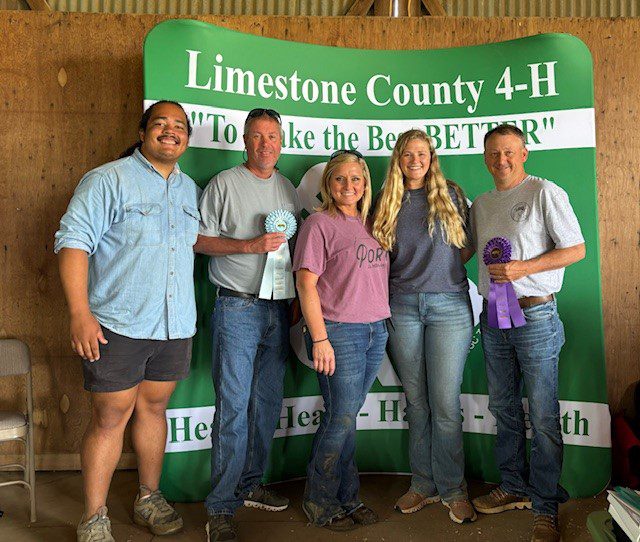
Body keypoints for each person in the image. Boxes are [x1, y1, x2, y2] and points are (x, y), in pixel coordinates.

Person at [54, 100, 200, 542]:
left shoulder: (189, 188)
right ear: (143, 132)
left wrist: (252, 245)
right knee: (110, 417)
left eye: (179, 126)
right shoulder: (108, 180)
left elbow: (192, 243)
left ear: (187, 139)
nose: (170, 131)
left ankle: (148, 497)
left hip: (174, 324)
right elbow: (73, 242)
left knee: (155, 409)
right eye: (160, 124)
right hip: (118, 322)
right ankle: (94, 516)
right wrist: (80, 313)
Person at [464, 124, 586, 542]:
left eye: (510, 152)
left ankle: (545, 506)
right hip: (495, 314)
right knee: (504, 407)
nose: (502, 160)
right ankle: (514, 486)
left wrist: (523, 268)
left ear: (524, 152)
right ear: (485, 157)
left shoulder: (543, 192)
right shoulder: (480, 203)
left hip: (535, 314)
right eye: (494, 153)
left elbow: (577, 249)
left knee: (544, 414)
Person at [195, 108, 301, 542]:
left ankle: (251, 483)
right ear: (244, 140)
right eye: (257, 136)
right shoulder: (223, 184)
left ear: (281, 141)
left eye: (272, 136)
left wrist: (293, 300)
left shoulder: (288, 189)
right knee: (234, 407)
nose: (265, 144)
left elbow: (295, 252)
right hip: (237, 307)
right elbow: (198, 240)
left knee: (265, 404)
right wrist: (248, 245)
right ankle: (220, 507)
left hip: (278, 309)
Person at [371, 129, 476, 524]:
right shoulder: (384, 200)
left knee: (446, 404)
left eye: (422, 153)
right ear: (398, 158)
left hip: (449, 307)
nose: (415, 160)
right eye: (408, 154)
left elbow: (466, 246)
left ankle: (454, 489)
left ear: (431, 158)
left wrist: (440, 273)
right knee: (416, 403)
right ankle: (423, 484)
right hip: (402, 308)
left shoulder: (451, 193)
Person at [293, 150, 390, 532]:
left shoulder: (375, 223)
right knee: (340, 418)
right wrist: (320, 338)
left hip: (375, 330)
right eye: (339, 179)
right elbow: (306, 282)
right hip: (339, 332)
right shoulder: (318, 224)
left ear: (365, 184)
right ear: (328, 185)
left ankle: (348, 496)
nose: (348, 186)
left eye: (356, 179)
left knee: (347, 419)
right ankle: (319, 500)